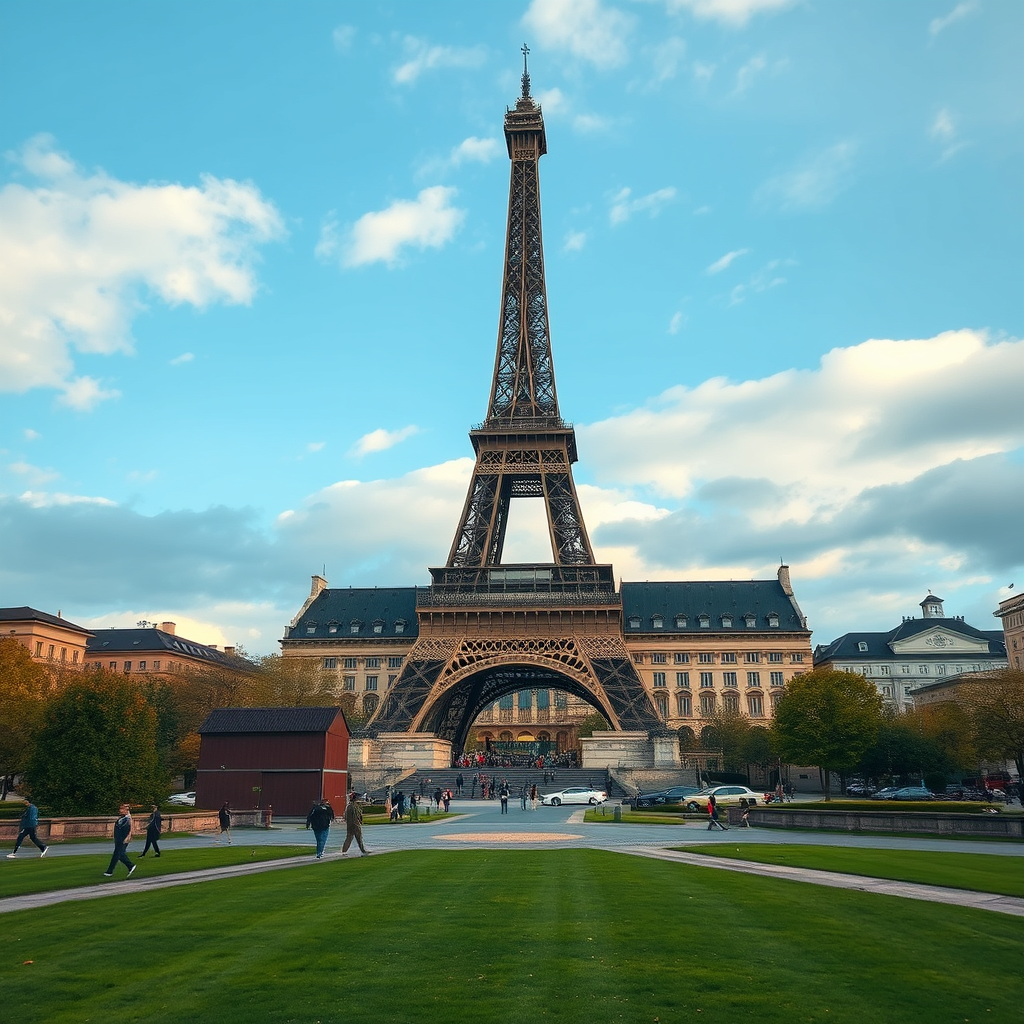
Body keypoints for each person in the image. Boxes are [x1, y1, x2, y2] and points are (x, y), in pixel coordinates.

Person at [104, 802, 136, 877]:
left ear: (126, 810)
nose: (120, 810)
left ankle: (130, 866)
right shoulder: (122, 818)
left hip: (123, 839)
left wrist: (128, 837)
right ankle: (110, 871)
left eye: (122, 809)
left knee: (119, 854)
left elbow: (131, 828)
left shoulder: (128, 819)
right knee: (117, 855)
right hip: (119, 839)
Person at [341, 790, 369, 856]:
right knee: (357, 838)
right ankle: (362, 850)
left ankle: (344, 851)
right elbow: (355, 816)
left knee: (350, 838)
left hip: (351, 824)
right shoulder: (352, 806)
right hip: (354, 824)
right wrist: (357, 823)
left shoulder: (350, 805)